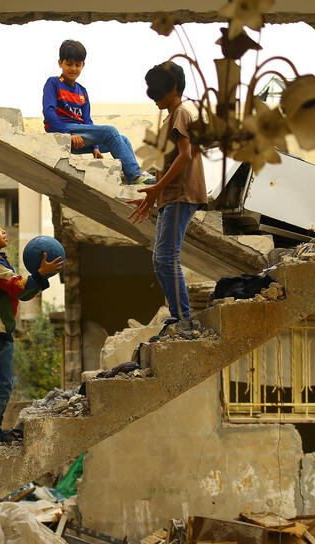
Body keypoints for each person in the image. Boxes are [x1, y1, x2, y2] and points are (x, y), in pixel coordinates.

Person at [0, 214, 64, 448]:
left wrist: (41, 276)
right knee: (2, 384)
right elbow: (16, 286)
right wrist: (39, 274)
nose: (4, 231)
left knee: (3, 383)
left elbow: (22, 293)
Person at [127, 61, 207, 339]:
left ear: (171, 87)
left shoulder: (181, 113)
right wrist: (152, 194)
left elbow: (185, 156)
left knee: (166, 257)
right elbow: (168, 160)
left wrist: (158, 188)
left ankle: (184, 320)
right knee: (160, 259)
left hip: (180, 194)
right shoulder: (170, 117)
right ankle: (178, 317)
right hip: (169, 196)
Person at [43, 39, 155, 186]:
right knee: (110, 131)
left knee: (123, 140)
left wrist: (95, 147)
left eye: (78, 64)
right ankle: (135, 174)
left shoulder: (82, 91)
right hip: (61, 132)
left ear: (83, 65)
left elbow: (87, 121)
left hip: (80, 136)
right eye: (69, 64)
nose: (73, 68)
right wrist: (68, 134)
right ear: (60, 63)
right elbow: (49, 113)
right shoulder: (53, 83)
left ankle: (133, 183)